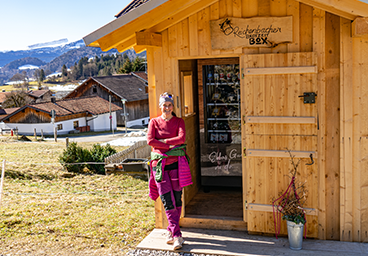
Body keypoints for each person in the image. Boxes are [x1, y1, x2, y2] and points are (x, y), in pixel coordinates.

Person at [147, 92, 192, 250]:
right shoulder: (154, 122)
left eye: (169, 105)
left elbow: (182, 139)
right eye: (164, 105)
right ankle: (177, 236)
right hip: (159, 166)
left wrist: (162, 143)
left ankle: (170, 231)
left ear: (173, 106)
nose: (167, 108)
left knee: (177, 199)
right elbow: (150, 141)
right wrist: (170, 146)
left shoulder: (179, 121)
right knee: (167, 200)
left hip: (176, 165)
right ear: (160, 106)